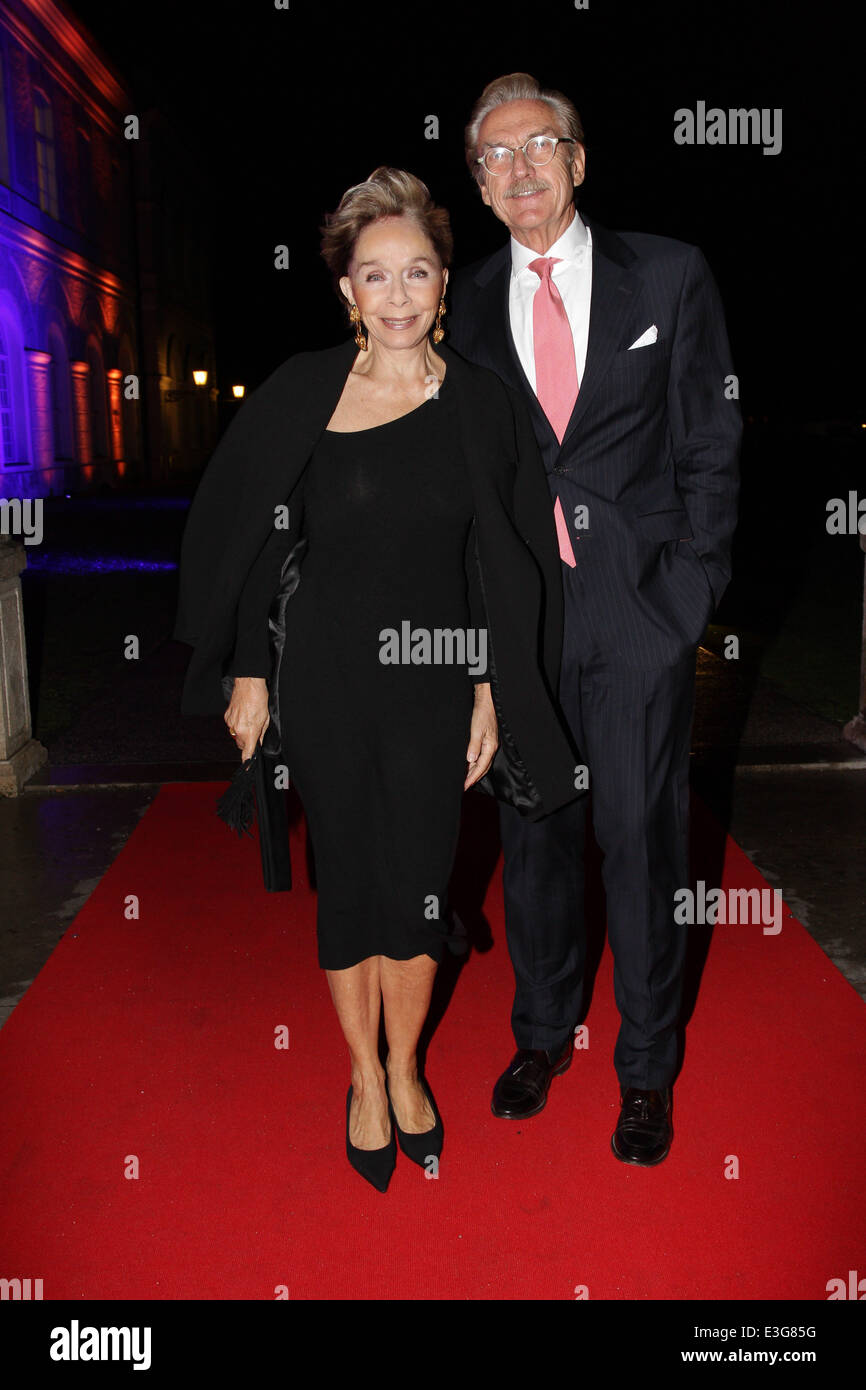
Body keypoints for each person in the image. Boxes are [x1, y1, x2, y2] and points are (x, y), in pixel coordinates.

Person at [173, 167, 578, 1192]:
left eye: (416, 273)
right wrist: (251, 671)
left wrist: (490, 684)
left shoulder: (481, 407)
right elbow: (264, 540)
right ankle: (363, 1078)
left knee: (419, 887)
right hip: (324, 678)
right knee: (348, 884)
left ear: (445, 284)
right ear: (345, 291)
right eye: (373, 276)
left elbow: (504, 558)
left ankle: (407, 1068)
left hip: (435, 680)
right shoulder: (303, 394)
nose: (396, 295)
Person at [448, 74, 742, 1165]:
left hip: (637, 614)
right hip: (519, 623)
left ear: (577, 160)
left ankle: (646, 1068)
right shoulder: (463, 301)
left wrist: (687, 592)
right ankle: (537, 1036)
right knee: (532, 840)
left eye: (538, 146)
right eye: (493, 157)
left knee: (639, 839)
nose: (518, 169)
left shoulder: (666, 274)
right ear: (476, 186)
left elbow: (709, 440)